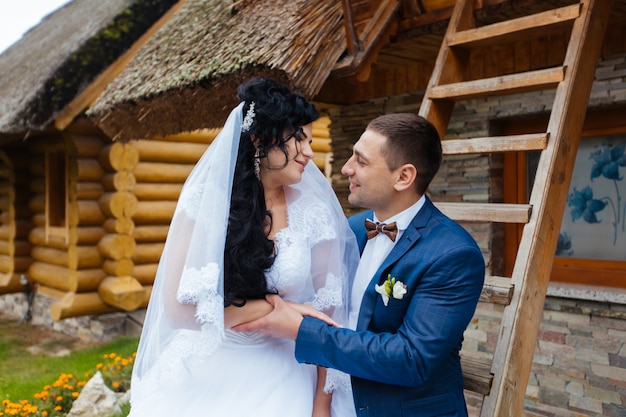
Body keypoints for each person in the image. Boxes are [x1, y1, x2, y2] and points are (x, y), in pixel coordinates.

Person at [127, 77, 359, 417]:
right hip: (210, 368)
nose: (309, 152)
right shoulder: (206, 202)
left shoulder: (315, 213)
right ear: (259, 139)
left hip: (287, 372)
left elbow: (329, 318)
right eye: (299, 138)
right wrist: (277, 311)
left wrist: (321, 406)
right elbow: (177, 310)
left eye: (310, 140)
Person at [234, 112, 486, 417]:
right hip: (323, 402)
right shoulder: (348, 231)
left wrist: (302, 330)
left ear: (403, 177)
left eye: (361, 161)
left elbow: (412, 359)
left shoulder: (452, 253)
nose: (345, 168)